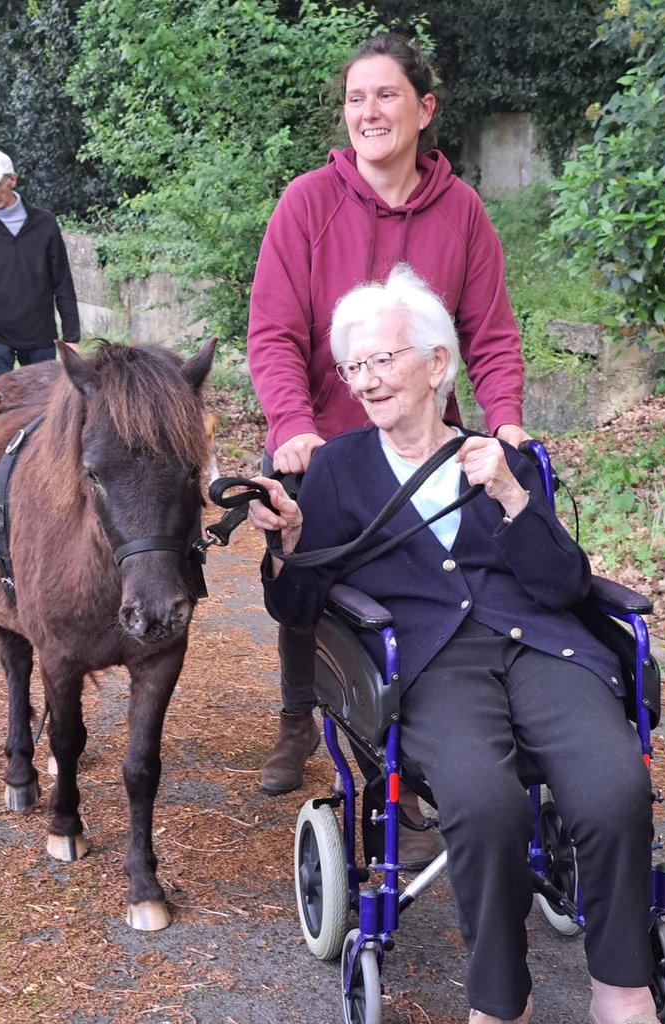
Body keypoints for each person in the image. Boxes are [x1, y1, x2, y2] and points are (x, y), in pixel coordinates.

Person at [247, 264, 665, 1024]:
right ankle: (498, 1009)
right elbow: (299, 607)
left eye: (383, 360)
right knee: (485, 803)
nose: (366, 380)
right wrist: (293, 539)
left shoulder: (499, 457)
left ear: (437, 364)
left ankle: (624, 1007)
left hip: (545, 650)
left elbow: (566, 583)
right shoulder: (338, 470)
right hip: (432, 665)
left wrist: (516, 498)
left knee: (612, 785)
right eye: (354, 366)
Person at [247, 34, 526, 800]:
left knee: (426, 584)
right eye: (355, 98)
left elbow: (490, 333)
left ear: (424, 108)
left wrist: (504, 418)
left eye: (386, 95)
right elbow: (272, 333)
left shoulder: (462, 212)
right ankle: (298, 716)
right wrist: (292, 425)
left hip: (419, 447)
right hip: (321, 444)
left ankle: (416, 728)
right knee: (306, 581)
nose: (368, 111)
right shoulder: (308, 204)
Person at [0, 149, 80, 386]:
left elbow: (62, 282)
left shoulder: (45, 224)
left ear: (12, 179)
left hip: (40, 336)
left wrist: (71, 337)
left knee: (42, 403)